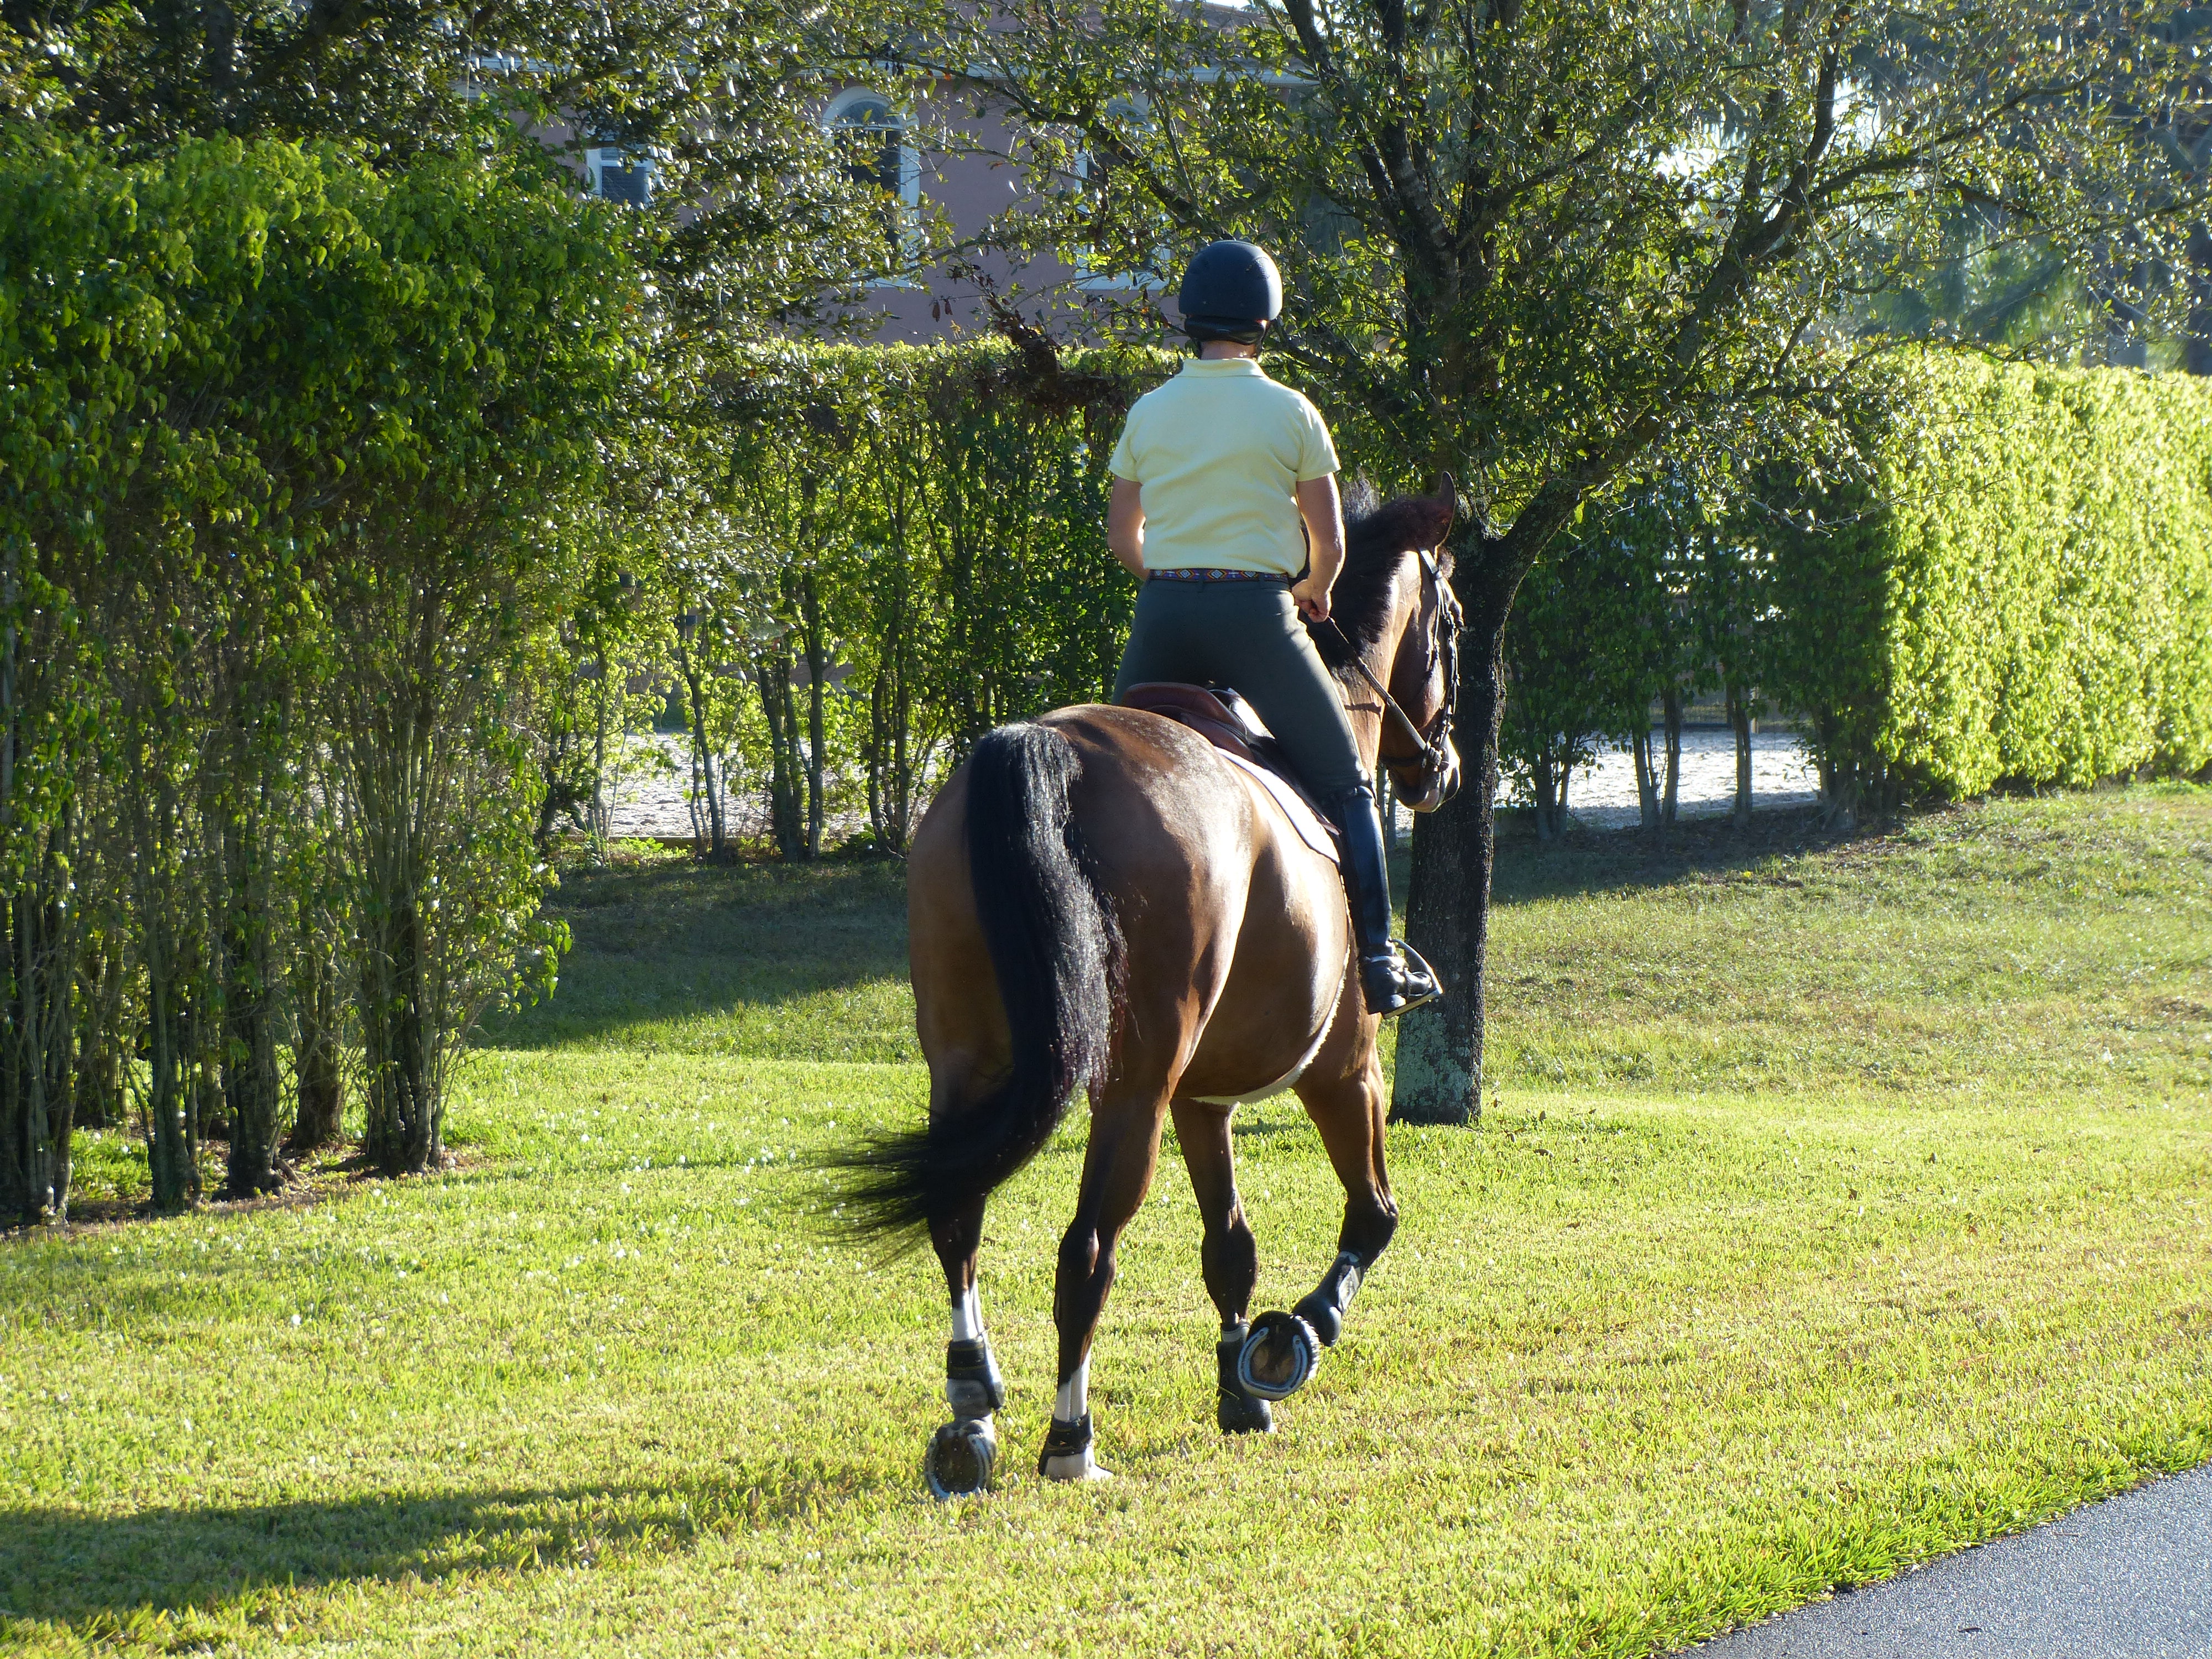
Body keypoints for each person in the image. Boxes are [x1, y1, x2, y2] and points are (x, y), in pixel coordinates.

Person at [1106, 239, 1440, 1018]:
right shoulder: (1291, 410)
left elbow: (1126, 536)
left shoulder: (1150, 412)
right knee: (1348, 784)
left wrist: (1167, 580)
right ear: (1265, 323)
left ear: (1190, 320)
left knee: (1114, 774)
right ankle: (1382, 962)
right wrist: (1316, 591)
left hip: (1162, 614)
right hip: (1259, 616)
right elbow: (1331, 540)